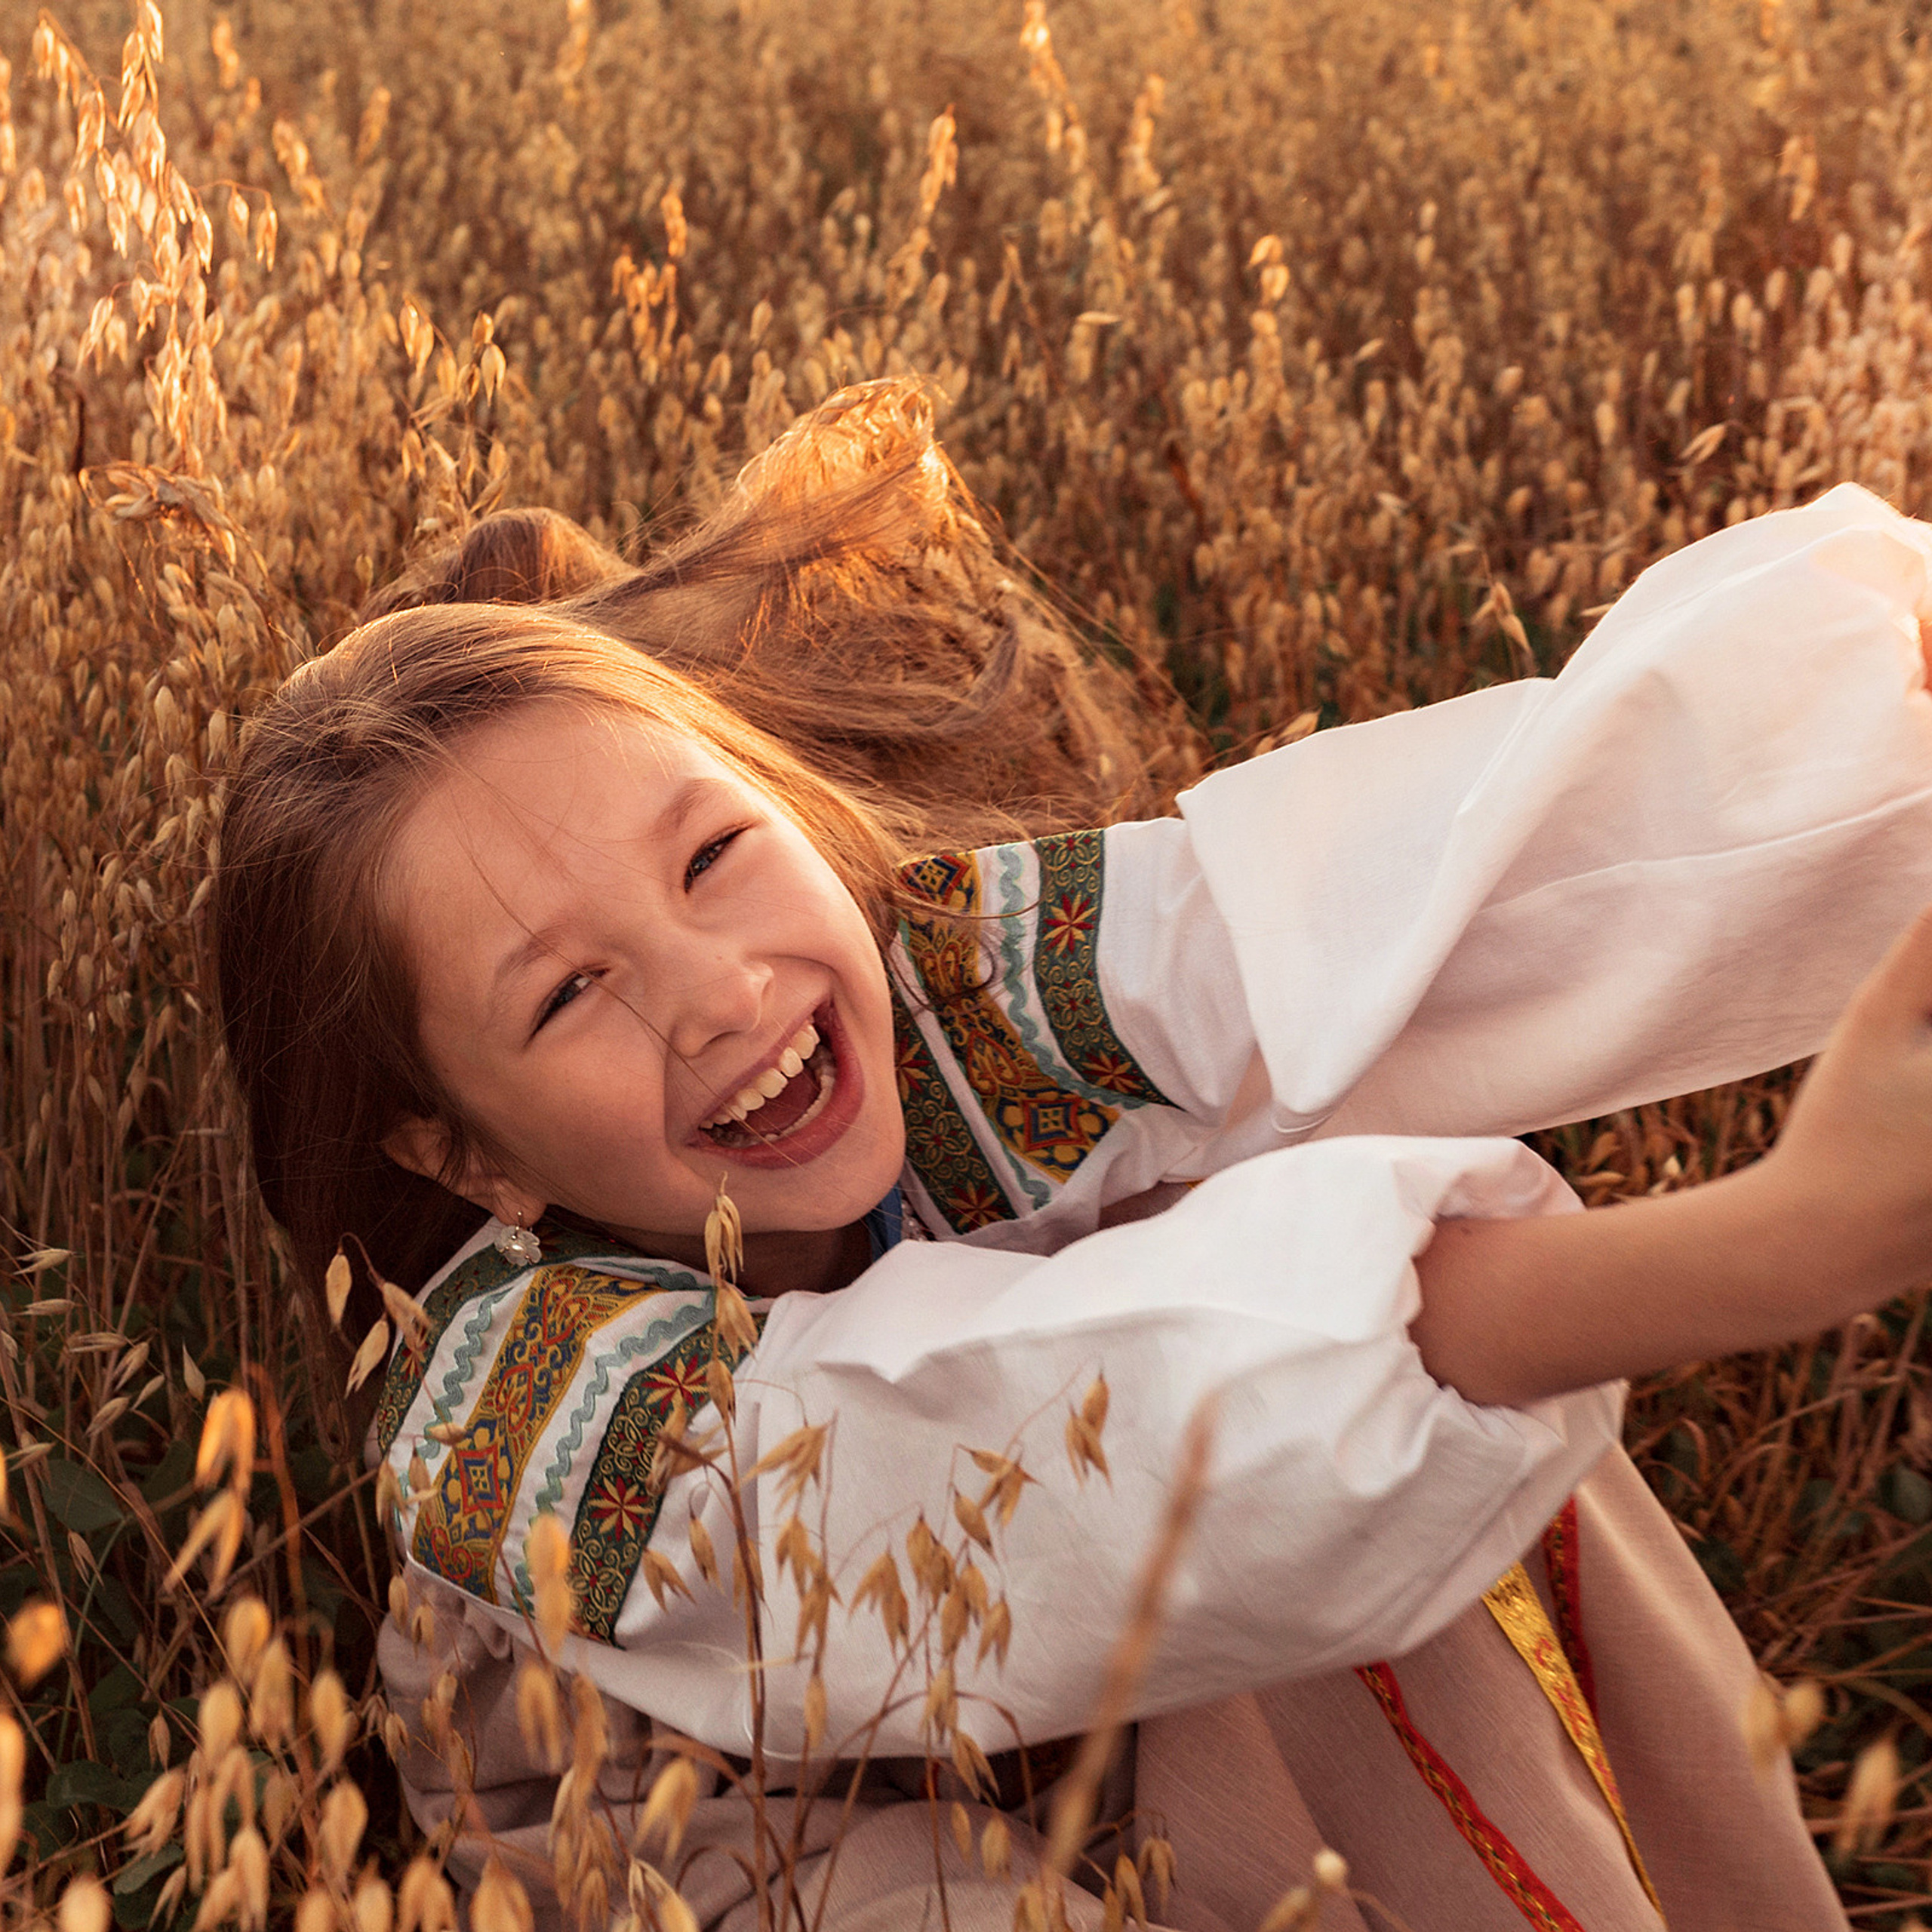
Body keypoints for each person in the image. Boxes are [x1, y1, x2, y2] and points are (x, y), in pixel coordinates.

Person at [212, 379, 1932, 1932]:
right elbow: (983, 1461)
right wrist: (1785, 1236)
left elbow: (1374, 910)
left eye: (714, 853)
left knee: (1227, 1188)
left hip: (1122, 1677)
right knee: (1219, 1344)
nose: (717, 991)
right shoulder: (502, 1409)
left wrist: (1883, 700)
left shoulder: (944, 979)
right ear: (460, 1152)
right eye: (568, 990)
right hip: (755, 1841)